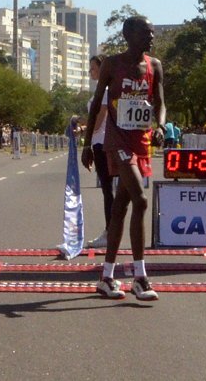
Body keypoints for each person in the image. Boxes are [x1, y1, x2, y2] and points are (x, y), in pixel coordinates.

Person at [81, 15, 164, 301]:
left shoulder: (155, 66)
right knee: (140, 200)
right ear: (129, 35)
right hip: (116, 141)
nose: (151, 37)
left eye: (152, 33)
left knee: (119, 209)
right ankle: (140, 277)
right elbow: (95, 107)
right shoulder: (112, 65)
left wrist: (162, 125)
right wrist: (87, 143)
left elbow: (160, 104)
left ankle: (106, 277)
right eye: (146, 32)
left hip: (141, 143)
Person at [83, 55, 114, 249]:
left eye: (93, 69)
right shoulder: (101, 90)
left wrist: (82, 125)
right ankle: (111, 230)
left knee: (107, 190)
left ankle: (110, 231)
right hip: (99, 142)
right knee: (107, 189)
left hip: (102, 142)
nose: (90, 72)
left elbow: (100, 118)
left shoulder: (105, 91)